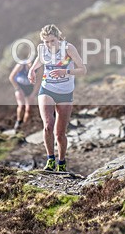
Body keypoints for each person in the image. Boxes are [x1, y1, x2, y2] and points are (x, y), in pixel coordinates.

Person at [27, 24, 86, 172]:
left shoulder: (68, 49)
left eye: (52, 41)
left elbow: (83, 70)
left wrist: (65, 72)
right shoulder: (42, 49)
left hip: (65, 93)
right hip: (47, 89)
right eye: (46, 42)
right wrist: (32, 71)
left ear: (58, 38)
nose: (49, 44)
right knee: (48, 125)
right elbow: (39, 61)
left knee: (60, 134)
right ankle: (50, 159)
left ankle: (61, 161)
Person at [9, 59, 36, 131]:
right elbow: (11, 77)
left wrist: (33, 93)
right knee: (21, 106)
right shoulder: (21, 65)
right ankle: (18, 122)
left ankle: (24, 126)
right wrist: (18, 88)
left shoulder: (38, 67)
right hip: (20, 86)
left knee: (29, 109)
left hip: (30, 88)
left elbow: (39, 81)